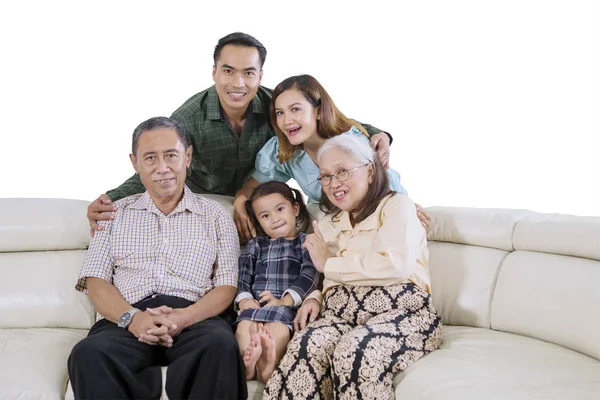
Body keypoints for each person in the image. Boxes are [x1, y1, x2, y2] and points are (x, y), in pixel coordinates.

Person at [86, 33, 393, 236]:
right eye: (228, 71)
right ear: (214, 73)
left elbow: (328, 119)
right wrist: (111, 198)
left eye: (248, 73)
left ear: (260, 76)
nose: (238, 83)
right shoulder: (188, 118)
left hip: (257, 198)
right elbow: (157, 162)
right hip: (206, 193)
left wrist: (381, 135)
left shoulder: (279, 107)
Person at [68, 117, 246, 399]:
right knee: (88, 353)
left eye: (171, 156)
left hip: (195, 319)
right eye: (150, 158)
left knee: (220, 345)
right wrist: (133, 318)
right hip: (126, 319)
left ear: (187, 157)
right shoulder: (113, 215)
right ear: (135, 163)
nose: (162, 168)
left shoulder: (215, 217)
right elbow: (97, 283)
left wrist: (184, 317)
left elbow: (226, 286)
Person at [262, 134, 443, 399]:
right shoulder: (328, 223)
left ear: (370, 170)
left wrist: (329, 263)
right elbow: (320, 275)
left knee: (355, 350)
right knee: (305, 347)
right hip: (340, 314)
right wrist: (314, 297)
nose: (334, 183)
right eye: (326, 176)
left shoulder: (397, 207)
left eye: (342, 172)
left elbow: (395, 266)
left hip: (402, 311)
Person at [233, 74, 431, 241]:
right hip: (337, 223)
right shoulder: (282, 150)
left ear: (318, 111)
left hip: (378, 211)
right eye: (280, 113)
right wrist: (240, 200)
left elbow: (382, 185)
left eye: (295, 109)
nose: (287, 121)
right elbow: (252, 186)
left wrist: (401, 207)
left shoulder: (349, 143)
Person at [233, 181, 320, 383]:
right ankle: (247, 366)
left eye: (280, 209)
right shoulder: (256, 245)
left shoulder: (305, 243)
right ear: (258, 221)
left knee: (278, 329)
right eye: (265, 216)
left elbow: (310, 275)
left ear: (295, 209)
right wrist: (244, 299)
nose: (274, 219)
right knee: (245, 327)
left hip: (284, 307)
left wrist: (285, 301)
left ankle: (268, 364)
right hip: (255, 305)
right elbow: (243, 272)